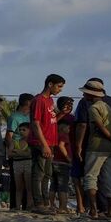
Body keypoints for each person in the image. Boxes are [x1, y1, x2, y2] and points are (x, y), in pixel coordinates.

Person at [76, 80, 111, 218]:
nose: (83, 95)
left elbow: (100, 127)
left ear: (90, 94)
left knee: (91, 177)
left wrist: (79, 146)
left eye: (85, 92)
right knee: (110, 180)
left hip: (96, 146)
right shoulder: (109, 107)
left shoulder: (93, 108)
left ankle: (94, 210)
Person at [30, 75, 65, 213]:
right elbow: (36, 123)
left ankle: (45, 202)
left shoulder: (50, 100)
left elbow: (51, 120)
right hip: (40, 142)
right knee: (39, 174)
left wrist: (62, 114)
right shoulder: (39, 100)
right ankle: (38, 203)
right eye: (59, 86)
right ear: (50, 84)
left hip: (50, 141)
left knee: (47, 174)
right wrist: (43, 144)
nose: (60, 90)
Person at [8, 118, 36, 212]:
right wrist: (22, 153)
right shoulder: (15, 141)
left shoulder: (31, 142)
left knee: (29, 187)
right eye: (20, 130)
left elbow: (30, 154)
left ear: (30, 130)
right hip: (17, 164)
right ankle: (17, 206)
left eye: (24, 130)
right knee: (18, 187)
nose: (21, 131)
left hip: (28, 163)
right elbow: (10, 154)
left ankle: (29, 206)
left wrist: (17, 152)